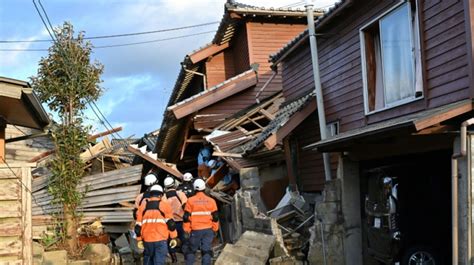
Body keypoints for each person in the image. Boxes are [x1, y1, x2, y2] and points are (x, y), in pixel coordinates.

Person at [135, 185, 178, 265]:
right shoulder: (165, 205)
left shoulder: (142, 207)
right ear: (161, 195)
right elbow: (171, 224)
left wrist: (139, 239)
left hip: (147, 240)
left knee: (148, 261)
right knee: (159, 262)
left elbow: (138, 226)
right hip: (161, 240)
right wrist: (173, 237)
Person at [183, 179, 219, 265]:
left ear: (194, 188)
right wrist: (215, 228)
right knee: (206, 250)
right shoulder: (211, 200)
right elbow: (215, 217)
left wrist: (186, 230)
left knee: (191, 250)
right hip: (208, 230)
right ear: (204, 188)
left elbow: (186, 217)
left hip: (195, 230)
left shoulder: (190, 200)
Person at [163, 176, 188, 263]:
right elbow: (186, 207)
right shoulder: (181, 194)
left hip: (170, 224)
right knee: (184, 240)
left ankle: (174, 258)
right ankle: (187, 258)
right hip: (182, 222)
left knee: (171, 241)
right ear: (174, 185)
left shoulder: (164, 197)